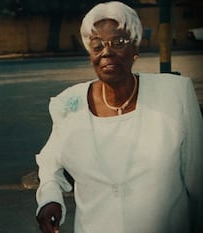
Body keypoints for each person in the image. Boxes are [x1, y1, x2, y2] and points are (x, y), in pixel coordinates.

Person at [35, 2, 202, 233]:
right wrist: (50, 198)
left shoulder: (174, 95)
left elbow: (198, 179)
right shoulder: (69, 104)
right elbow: (49, 163)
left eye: (119, 42)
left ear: (136, 48)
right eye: (97, 45)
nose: (107, 51)